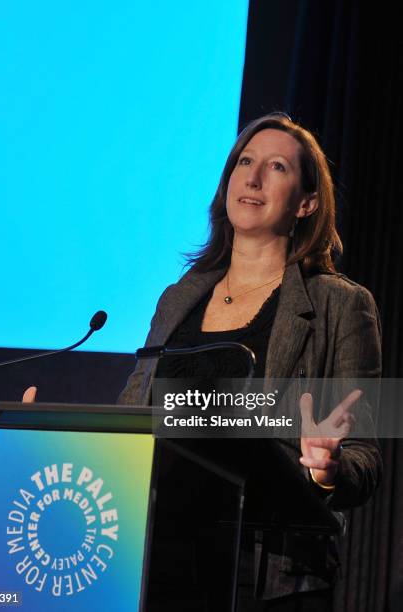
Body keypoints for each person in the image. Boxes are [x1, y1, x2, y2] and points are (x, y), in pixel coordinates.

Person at [116, 113, 382, 610]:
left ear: (307, 202)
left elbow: (366, 461)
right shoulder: (177, 300)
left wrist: (328, 468)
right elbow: (133, 420)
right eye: (245, 161)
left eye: (277, 166)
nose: (254, 177)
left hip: (267, 577)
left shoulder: (341, 306)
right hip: (154, 564)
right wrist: (46, 431)